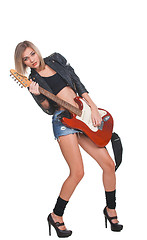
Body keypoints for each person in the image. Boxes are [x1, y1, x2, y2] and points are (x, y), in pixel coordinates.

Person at [14, 41, 123, 237]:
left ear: (36, 50)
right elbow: (48, 109)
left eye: (32, 54)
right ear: (23, 63)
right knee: (78, 172)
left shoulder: (56, 58)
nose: (31, 60)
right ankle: (56, 216)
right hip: (63, 120)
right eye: (26, 59)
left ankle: (110, 210)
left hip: (84, 116)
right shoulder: (33, 80)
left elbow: (77, 82)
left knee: (108, 164)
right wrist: (38, 96)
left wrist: (94, 108)